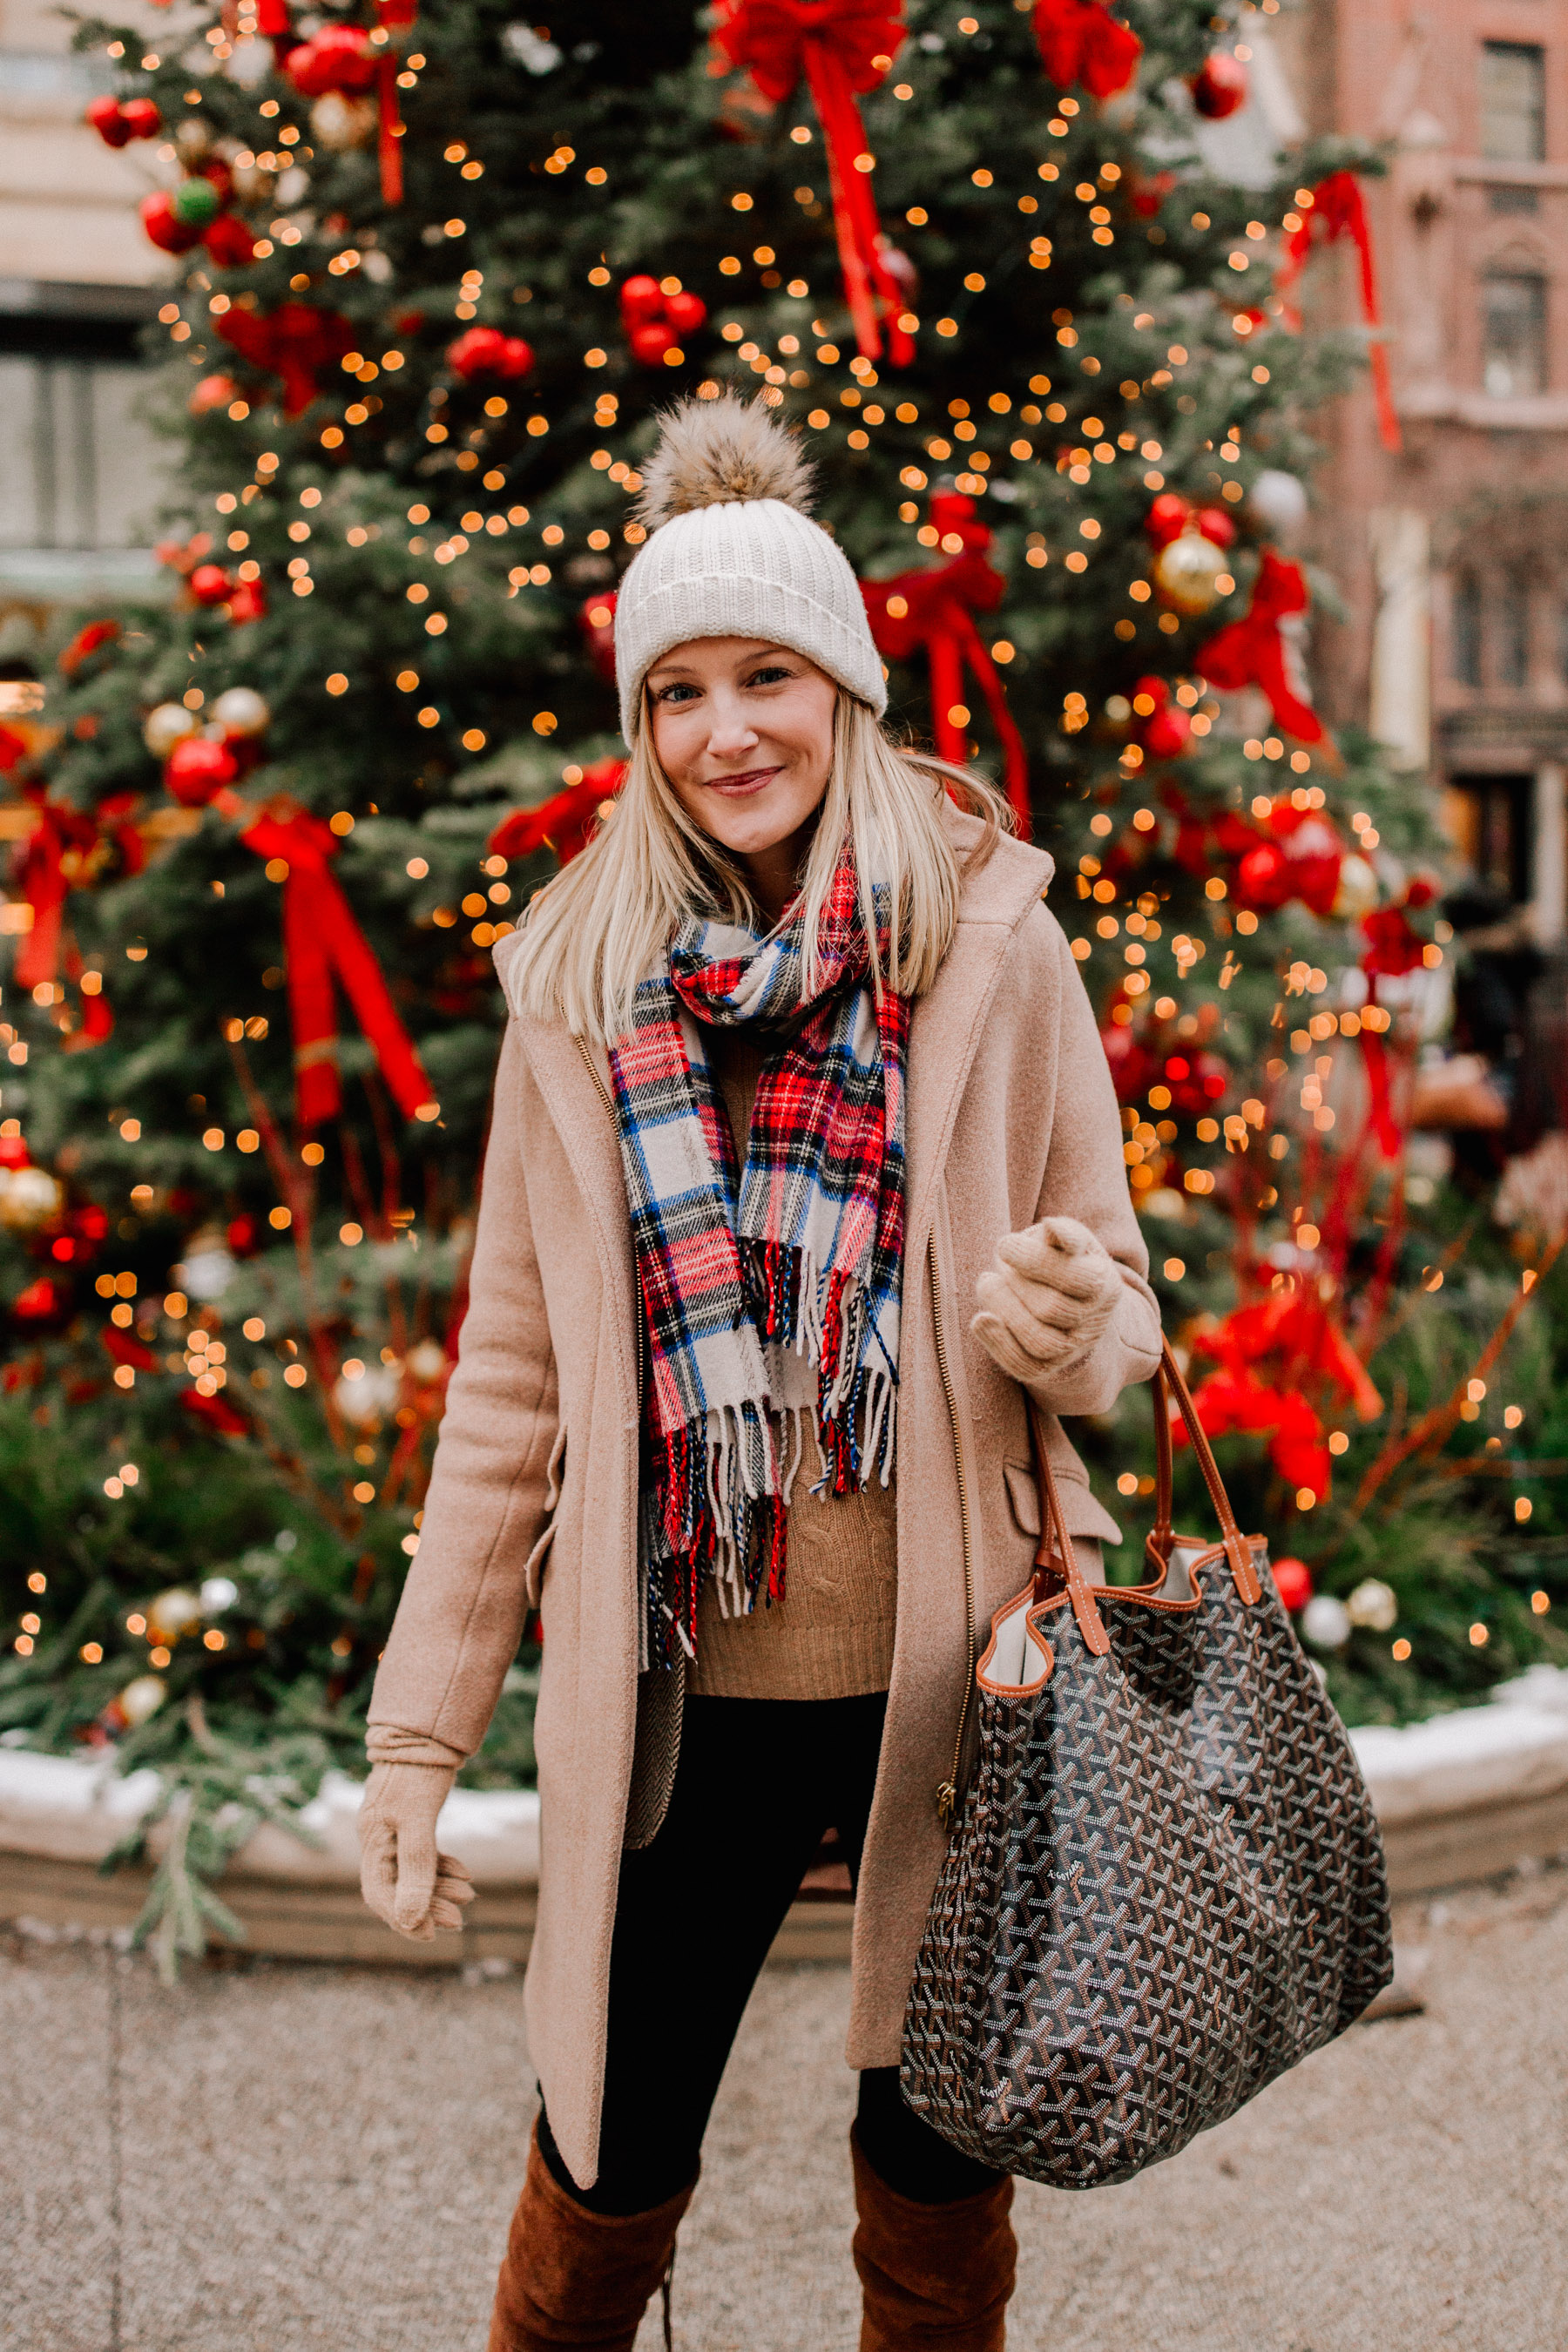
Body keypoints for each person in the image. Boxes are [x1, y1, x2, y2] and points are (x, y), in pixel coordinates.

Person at [358, 395, 1161, 2350]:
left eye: (770, 677)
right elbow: (513, 1389)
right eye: (682, 690)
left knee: (939, 2173)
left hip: (962, 1684)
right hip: (683, 1683)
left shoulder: (991, 950)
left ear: (847, 690)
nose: (730, 730)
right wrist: (418, 1734)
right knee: (611, 2150)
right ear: (642, 727)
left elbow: (1124, 1301)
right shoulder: (577, 990)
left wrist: (1078, 1323)